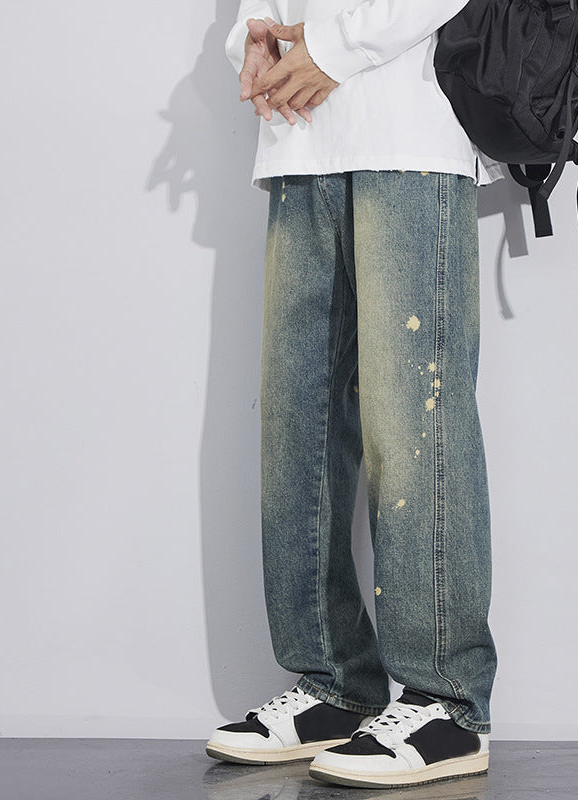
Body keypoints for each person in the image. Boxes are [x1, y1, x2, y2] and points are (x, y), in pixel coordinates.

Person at [206, 1, 503, 788]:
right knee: (296, 425)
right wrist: (255, 39)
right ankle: (333, 683)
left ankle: (447, 702)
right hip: (298, 139)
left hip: (409, 127)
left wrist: (332, 48)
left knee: (414, 428)